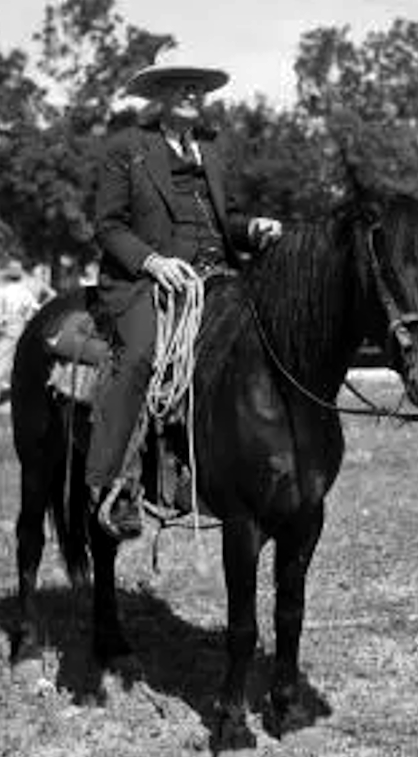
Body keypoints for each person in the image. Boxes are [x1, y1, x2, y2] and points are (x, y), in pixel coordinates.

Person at [84, 53, 284, 540]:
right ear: (159, 95)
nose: (192, 93)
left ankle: (221, 473)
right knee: (140, 359)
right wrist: (151, 260)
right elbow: (107, 226)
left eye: (198, 86)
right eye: (180, 86)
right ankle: (116, 484)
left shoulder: (212, 151)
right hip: (147, 283)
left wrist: (252, 228)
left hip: (217, 280)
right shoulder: (126, 148)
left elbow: (227, 220)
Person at [0, 260, 41, 407]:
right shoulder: (25, 292)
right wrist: (27, 317)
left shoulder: (3, 291)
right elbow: (35, 308)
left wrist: (0, 323)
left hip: (9, 326)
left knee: (2, 363)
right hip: (21, 326)